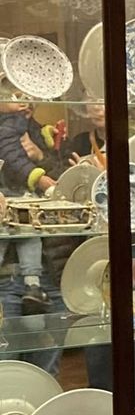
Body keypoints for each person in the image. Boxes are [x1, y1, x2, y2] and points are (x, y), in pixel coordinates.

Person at [0, 97, 63, 313]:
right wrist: (37, 178)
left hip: (52, 264)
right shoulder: (8, 124)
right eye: (13, 98)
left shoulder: (24, 123)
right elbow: (13, 156)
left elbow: (59, 176)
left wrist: (42, 147)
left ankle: (33, 284)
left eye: (26, 97)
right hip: (14, 197)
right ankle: (32, 283)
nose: (23, 102)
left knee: (27, 230)